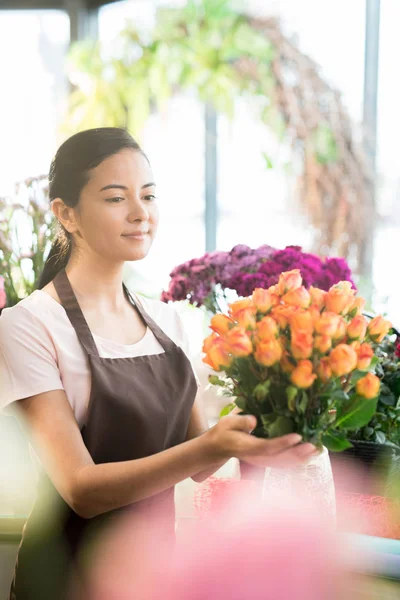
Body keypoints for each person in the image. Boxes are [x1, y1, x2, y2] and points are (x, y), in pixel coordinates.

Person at [0, 128, 319, 599]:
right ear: (67, 214)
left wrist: (275, 401)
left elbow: (198, 459)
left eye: (148, 196)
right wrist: (213, 446)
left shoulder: (167, 321)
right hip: (64, 580)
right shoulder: (28, 324)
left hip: (153, 578)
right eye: (115, 198)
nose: (140, 213)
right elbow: (81, 490)